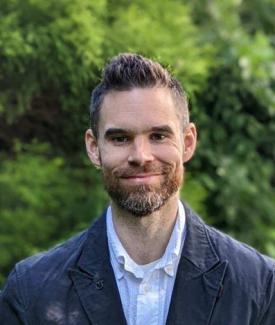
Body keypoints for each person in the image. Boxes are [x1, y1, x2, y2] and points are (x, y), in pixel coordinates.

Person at [1, 53, 274, 325]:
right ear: (94, 148)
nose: (141, 156)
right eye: (120, 138)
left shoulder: (260, 288)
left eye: (158, 136)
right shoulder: (30, 293)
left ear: (188, 142)